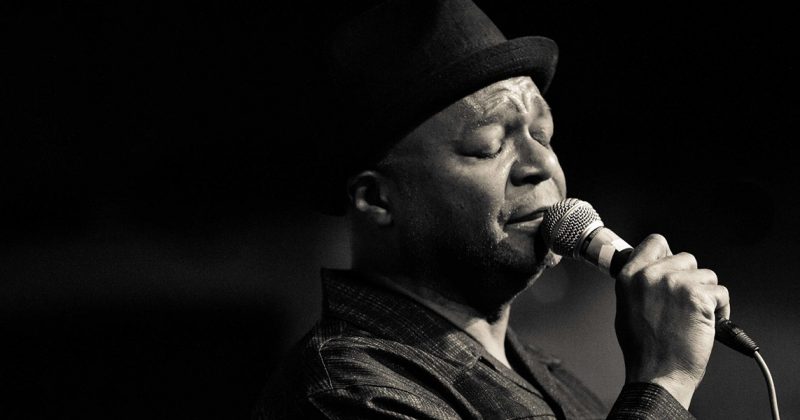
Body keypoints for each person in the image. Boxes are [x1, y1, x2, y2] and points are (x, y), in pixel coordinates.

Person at [254, 0, 729, 418]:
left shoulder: (547, 377)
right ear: (377, 199)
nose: (541, 165)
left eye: (543, 135)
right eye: (489, 145)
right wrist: (663, 382)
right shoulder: (346, 392)